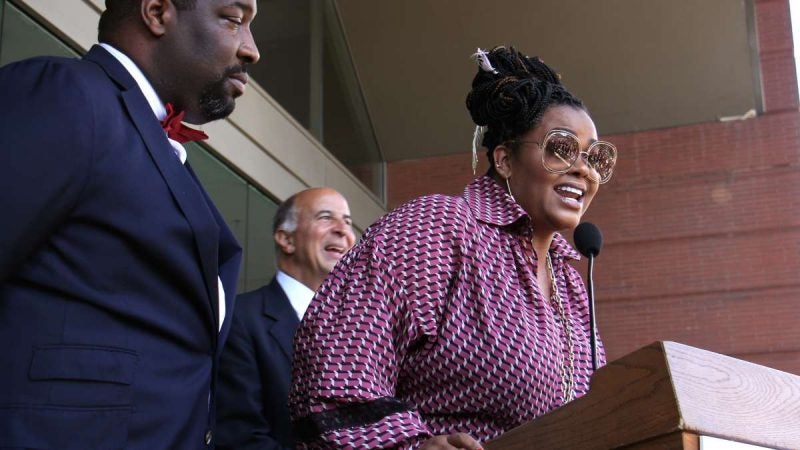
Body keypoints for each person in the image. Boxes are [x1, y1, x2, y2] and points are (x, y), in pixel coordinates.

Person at [288, 46, 617, 449]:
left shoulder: (572, 283)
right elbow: (336, 370)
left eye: (597, 158)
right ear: (504, 159)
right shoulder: (438, 228)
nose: (584, 169)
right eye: (560, 148)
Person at [0, 0, 259, 448]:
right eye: (234, 20)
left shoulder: (157, 143)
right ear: (157, 13)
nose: (252, 50)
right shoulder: (66, 93)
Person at [216, 187, 356, 449]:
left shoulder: (366, 328)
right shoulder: (240, 319)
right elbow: (239, 436)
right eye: (326, 217)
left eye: (348, 222)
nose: (342, 230)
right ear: (286, 239)